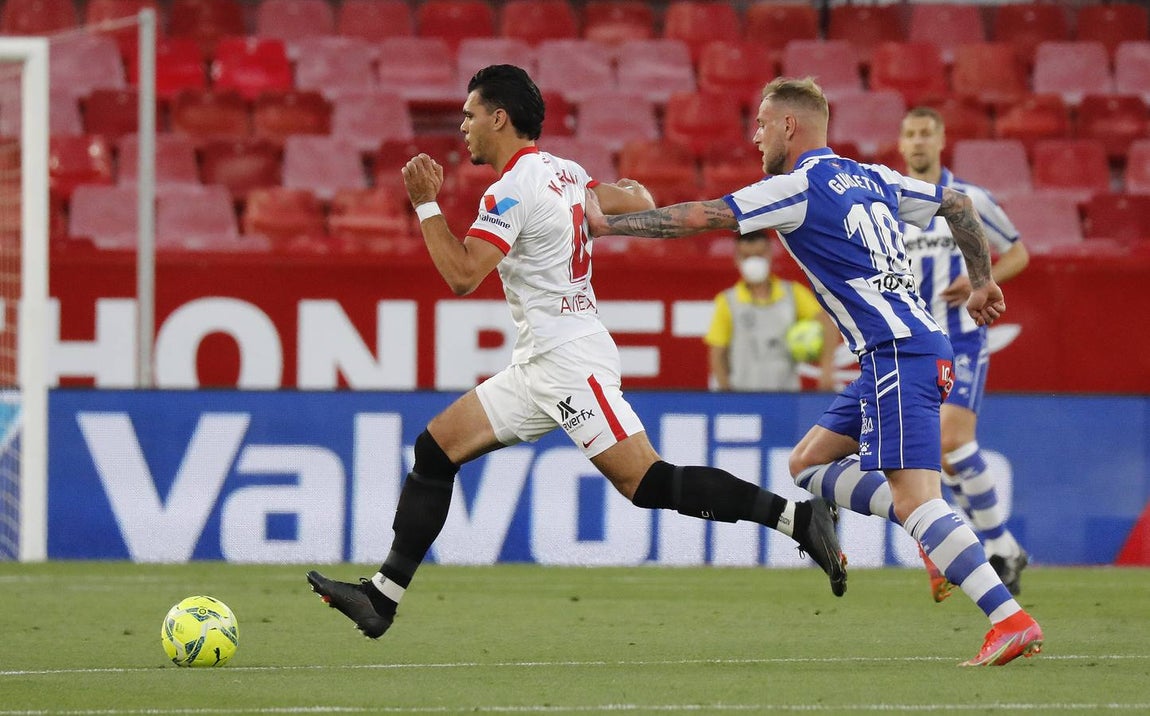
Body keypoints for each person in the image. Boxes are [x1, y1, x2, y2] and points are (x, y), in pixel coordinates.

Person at [305, 65, 847, 641]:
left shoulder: (510, 189)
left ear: (498, 117)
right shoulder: (564, 172)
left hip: (569, 362)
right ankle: (381, 598)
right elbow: (635, 195)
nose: (462, 126)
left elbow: (463, 275)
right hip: (539, 360)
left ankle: (798, 518)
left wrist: (427, 206)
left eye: (469, 115)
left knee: (647, 482)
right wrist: (597, 212)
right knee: (435, 450)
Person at [585, 76, 1042, 666]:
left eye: (761, 124)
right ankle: (929, 531)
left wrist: (610, 225)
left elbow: (707, 214)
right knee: (807, 464)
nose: (755, 137)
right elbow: (956, 204)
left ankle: (1007, 617)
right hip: (905, 348)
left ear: (789, 126)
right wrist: (983, 281)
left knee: (919, 501)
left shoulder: (795, 186)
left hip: (897, 352)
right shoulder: (874, 177)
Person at [897, 106, 1031, 600]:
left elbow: (1017, 251)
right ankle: (1005, 548)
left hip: (964, 335)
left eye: (926, 134)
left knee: (950, 442)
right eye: (909, 133)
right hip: (914, 344)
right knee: (945, 459)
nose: (917, 142)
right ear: (899, 143)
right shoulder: (891, 205)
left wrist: (982, 277)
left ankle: (994, 548)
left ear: (941, 140)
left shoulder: (969, 199)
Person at [704, 230, 837, 391]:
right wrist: (725, 394)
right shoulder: (728, 301)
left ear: (769, 254)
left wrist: (827, 369)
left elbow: (828, 325)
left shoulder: (792, 293)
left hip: (787, 397)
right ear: (736, 259)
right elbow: (717, 353)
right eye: (746, 256)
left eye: (759, 254)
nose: (753, 261)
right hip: (742, 398)